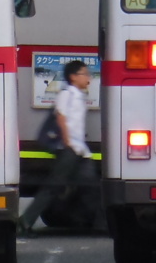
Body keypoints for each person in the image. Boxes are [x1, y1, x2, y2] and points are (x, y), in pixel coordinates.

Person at [18, 59, 99, 235]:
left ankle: (100, 224)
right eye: (84, 74)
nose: (88, 77)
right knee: (53, 187)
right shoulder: (67, 95)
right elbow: (61, 117)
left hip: (81, 152)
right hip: (69, 151)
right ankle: (25, 221)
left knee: (91, 186)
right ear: (73, 76)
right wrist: (67, 140)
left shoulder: (79, 96)